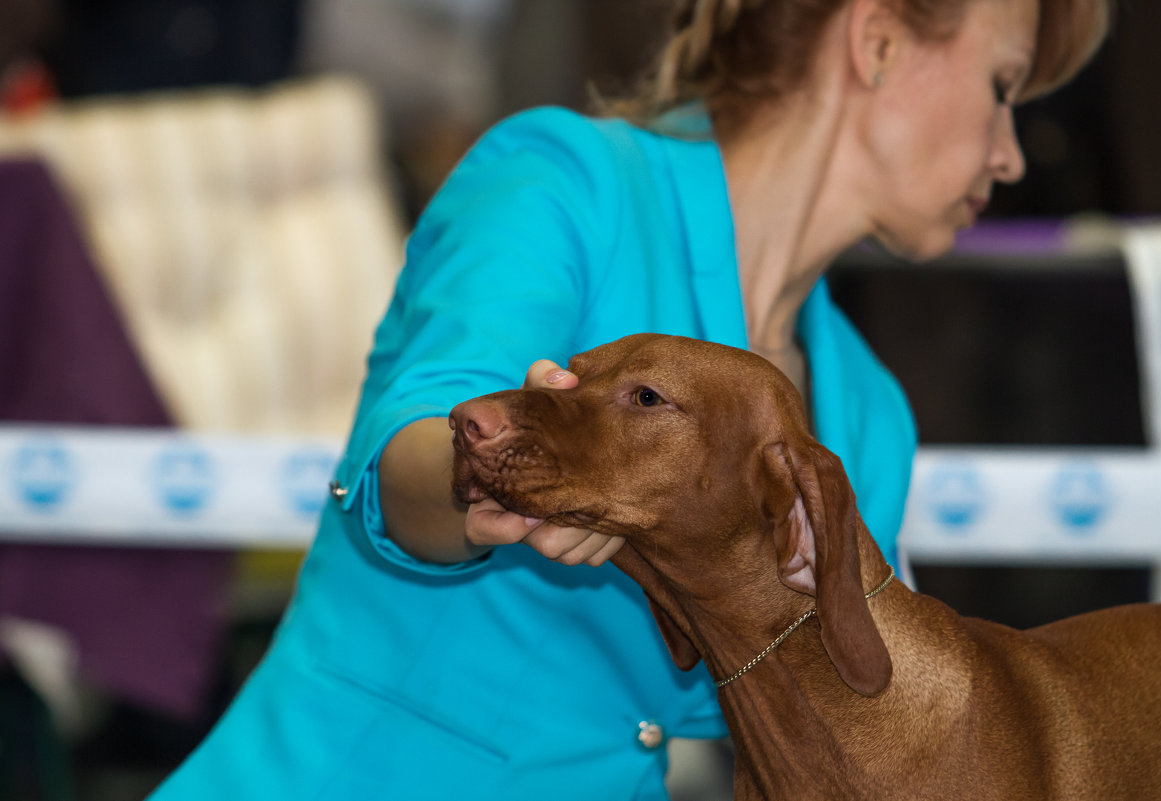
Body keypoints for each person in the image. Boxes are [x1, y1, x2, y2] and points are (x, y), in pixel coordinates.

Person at [148, 0, 1108, 797]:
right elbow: (405, 457)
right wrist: (492, 478)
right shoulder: (563, 184)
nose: (1012, 155)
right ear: (879, 42)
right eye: (1002, 88)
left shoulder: (868, 414)